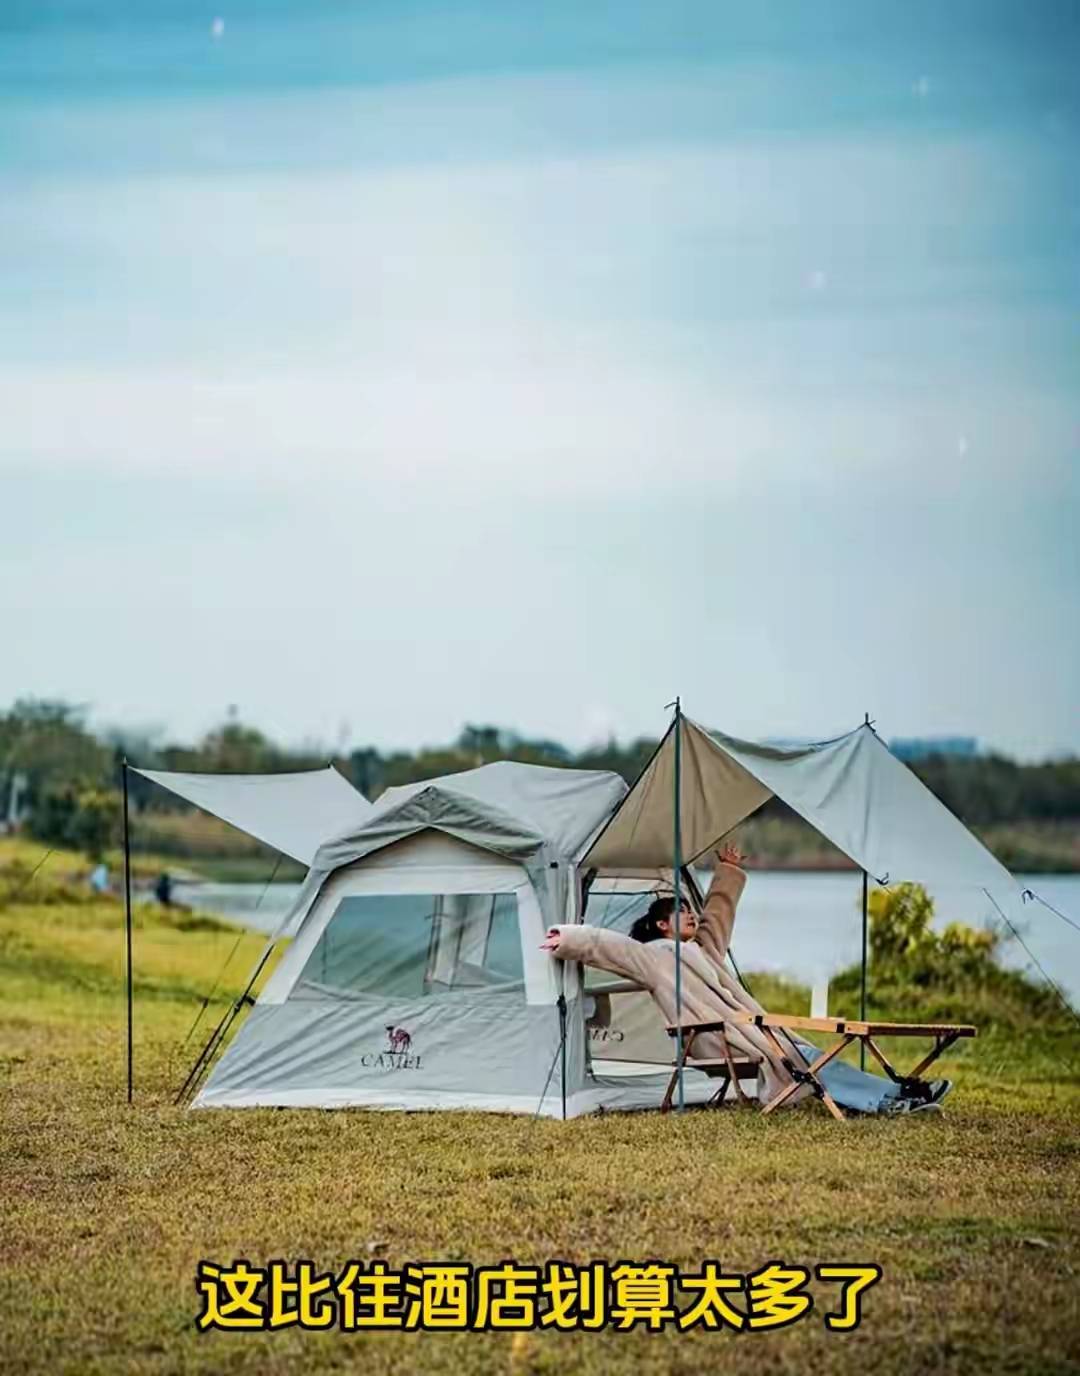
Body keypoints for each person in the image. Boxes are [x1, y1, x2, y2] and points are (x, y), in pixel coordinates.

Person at [541, 844, 950, 1115]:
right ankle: (888, 1099)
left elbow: (718, 918)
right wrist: (570, 937)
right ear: (661, 924)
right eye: (681, 911)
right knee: (806, 1059)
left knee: (810, 1055)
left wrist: (729, 870)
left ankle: (901, 1092)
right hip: (714, 1038)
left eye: (691, 909)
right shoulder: (657, 955)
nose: (692, 915)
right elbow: (614, 947)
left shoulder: (702, 953)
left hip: (746, 1033)